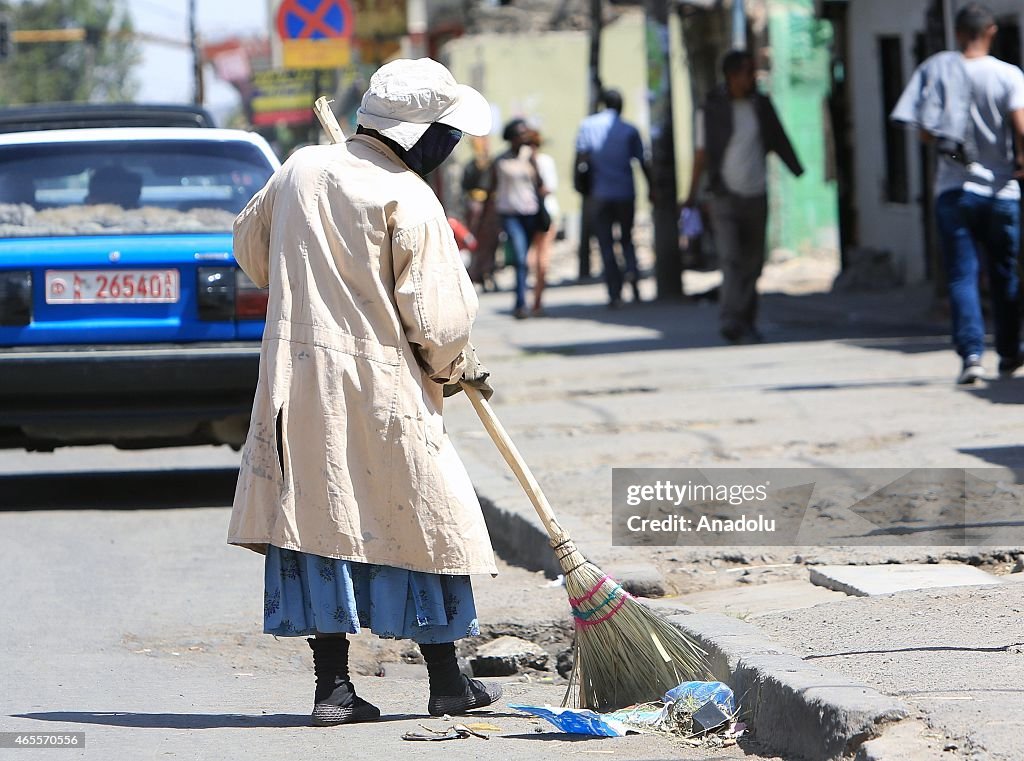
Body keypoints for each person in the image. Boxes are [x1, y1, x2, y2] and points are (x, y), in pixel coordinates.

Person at [228, 58, 502, 727]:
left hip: (306, 389)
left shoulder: (298, 171)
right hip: (387, 389)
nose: (452, 146)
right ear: (422, 135)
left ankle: (334, 688)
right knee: (421, 521)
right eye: (448, 133)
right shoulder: (411, 197)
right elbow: (437, 322)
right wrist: (450, 367)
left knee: (322, 526)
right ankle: (444, 680)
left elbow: (251, 250)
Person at [892, 3, 1023, 384]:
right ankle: (1011, 351)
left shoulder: (938, 70)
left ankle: (972, 357)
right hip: (1002, 191)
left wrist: (955, 154)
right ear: (991, 31)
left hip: (953, 191)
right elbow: (1020, 125)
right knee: (1004, 274)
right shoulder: (1008, 75)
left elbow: (925, 132)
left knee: (962, 276)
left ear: (960, 32)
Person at [685, 50, 804, 344]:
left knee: (752, 264)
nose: (752, 78)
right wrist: (691, 194)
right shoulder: (711, 109)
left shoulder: (760, 105)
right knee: (731, 261)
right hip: (724, 195)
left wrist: (796, 167)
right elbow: (701, 154)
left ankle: (747, 320)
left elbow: (778, 137)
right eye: (747, 73)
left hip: (756, 194)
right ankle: (730, 320)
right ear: (731, 76)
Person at [574, 89, 652, 308]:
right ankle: (634, 280)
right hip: (625, 192)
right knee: (627, 239)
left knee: (606, 243)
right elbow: (643, 161)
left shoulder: (588, 126)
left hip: (599, 194)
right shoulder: (629, 130)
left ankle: (614, 293)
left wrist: (581, 186)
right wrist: (652, 187)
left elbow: (581, 158)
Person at [485, 118, 544, 319]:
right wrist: (487, 217)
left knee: (526, 259)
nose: (524, 137)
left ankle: (526, 299)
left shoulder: (530, 157)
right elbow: (491, 189)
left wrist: (533, 161)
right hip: (510, 214)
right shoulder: (500, 161)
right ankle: (520, 303)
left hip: (530, 213)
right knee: (520, 257)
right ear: (511, 137)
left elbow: (540, 184)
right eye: (520, 134)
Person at [525, 128, 559, 316]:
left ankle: (537, 298)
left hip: (545, 213)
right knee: (532, 257)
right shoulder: (520, 164)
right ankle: (532, 297)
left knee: (541, 257)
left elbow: (550, 188)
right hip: (528, 213)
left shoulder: (544, 162)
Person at [461, 137, 501, 291]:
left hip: (491, 210)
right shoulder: (471, 166)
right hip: (476, 210)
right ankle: (479, 273)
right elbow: (466, 187)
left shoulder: (493, 165)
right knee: (476, 243)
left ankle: (489, 272)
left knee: (492, 243)